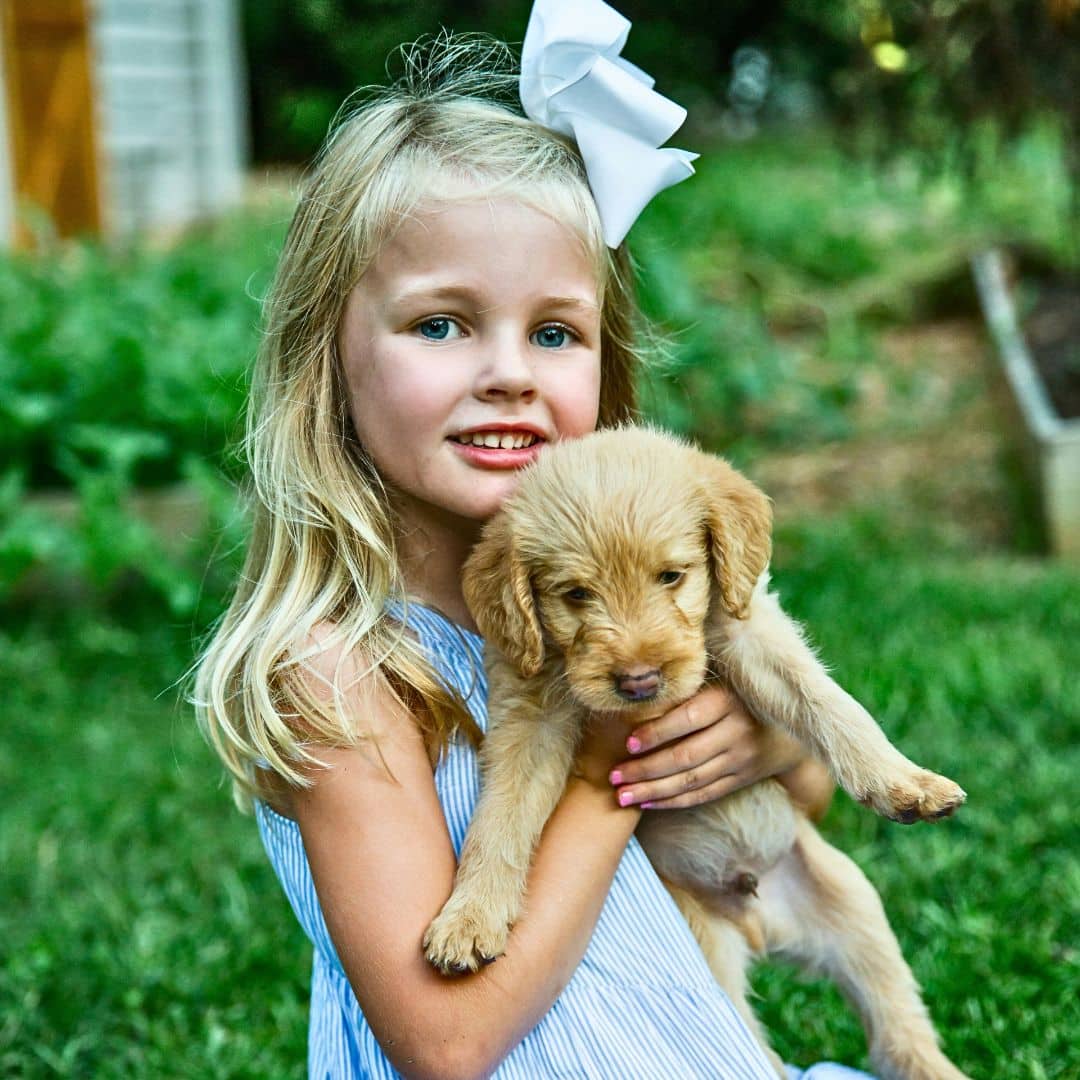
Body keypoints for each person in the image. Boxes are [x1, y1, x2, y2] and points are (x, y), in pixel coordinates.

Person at [196, 4, 874, 1077]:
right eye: (441, 323)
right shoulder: (338, 673)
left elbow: (796, 804)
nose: (509, 371)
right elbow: (446, 1041)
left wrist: (775, 746)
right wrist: (609, 767)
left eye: (554, 332)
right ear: (326, 360)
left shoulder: (625, 615)